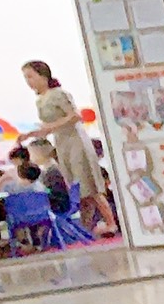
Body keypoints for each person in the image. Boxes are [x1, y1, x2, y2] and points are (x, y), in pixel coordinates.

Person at [21, 60, 115, 233]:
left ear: (43, 76)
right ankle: (86, 227)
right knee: (77, 188)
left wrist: (52, 126)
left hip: (75, 140)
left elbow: (75, 116)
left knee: (88, 183)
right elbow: (47, 128)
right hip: (61, 142)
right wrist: (31, 134)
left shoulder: (58, 94)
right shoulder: (40, 101)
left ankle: (110, 222)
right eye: (26, 78)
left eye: (30, 76)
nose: (28, 81)